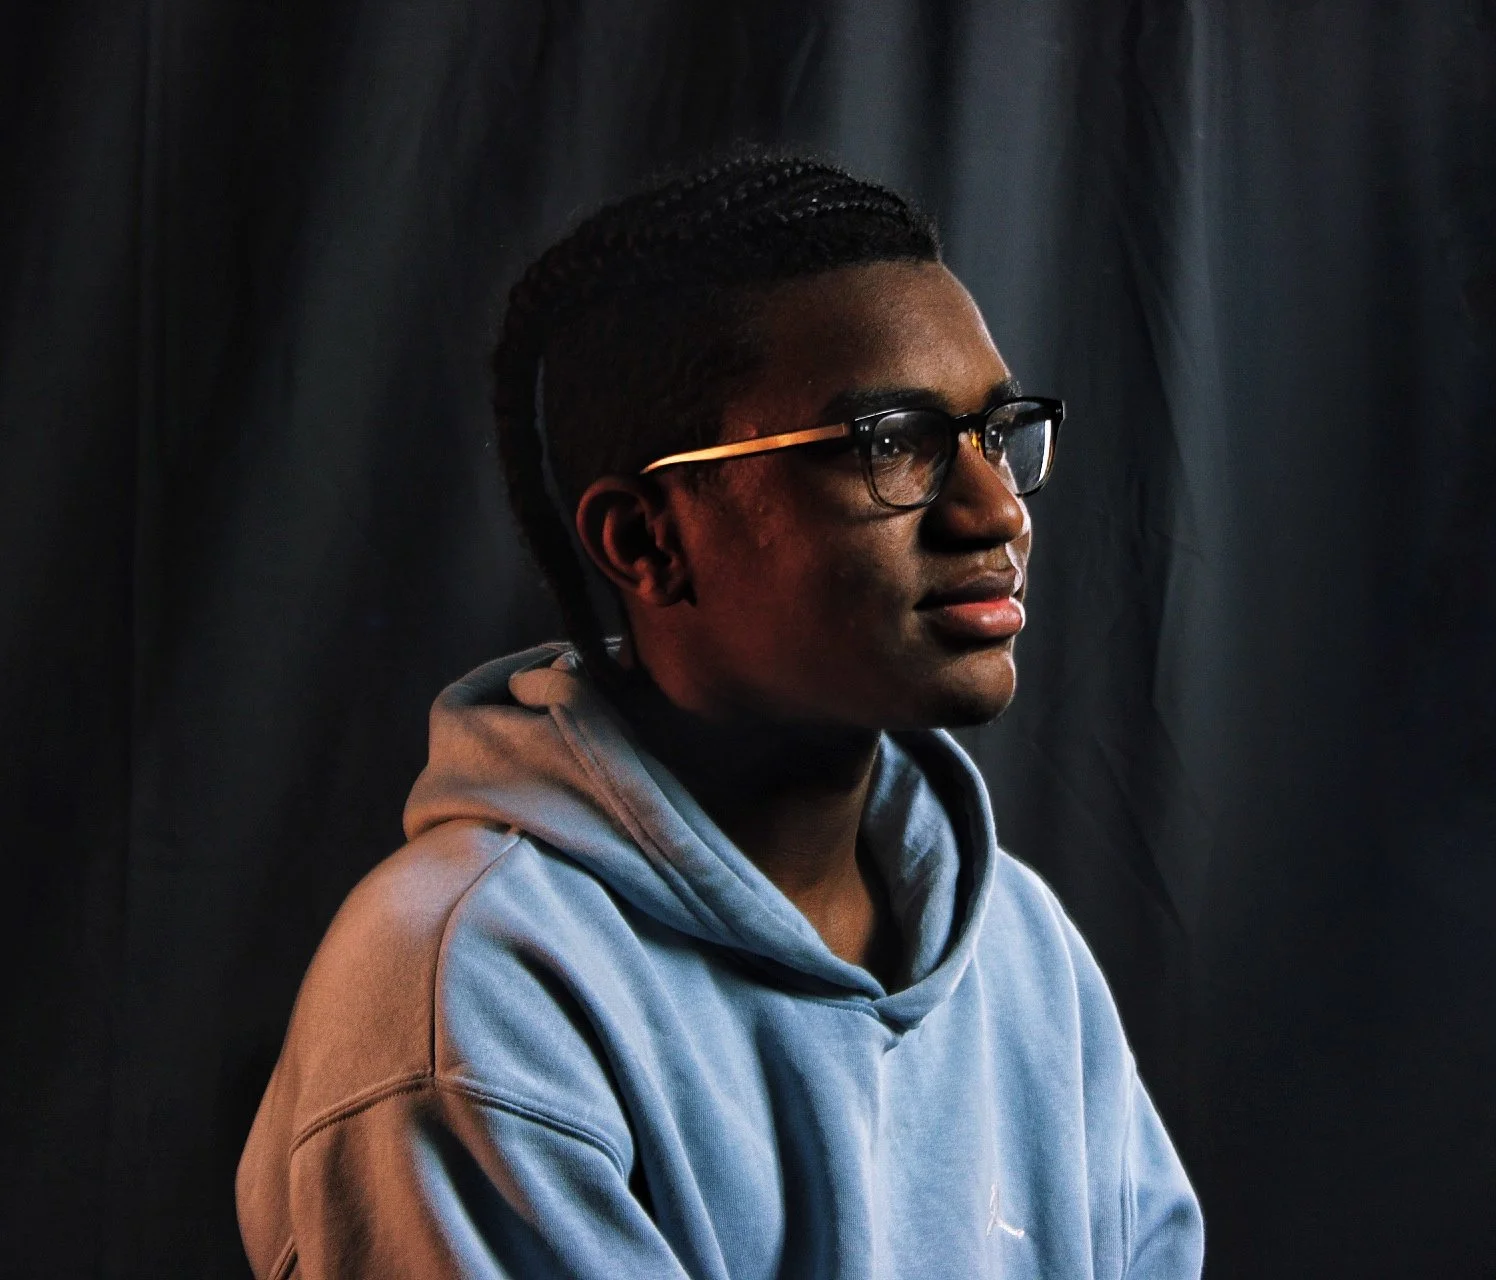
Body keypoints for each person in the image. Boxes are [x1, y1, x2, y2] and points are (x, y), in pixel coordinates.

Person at [236, 150, 1203, 1279]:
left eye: (996, 432)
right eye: (892, 443)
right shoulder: (471, 994)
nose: (995, 509)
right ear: (648, 538)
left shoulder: (1023, 950)